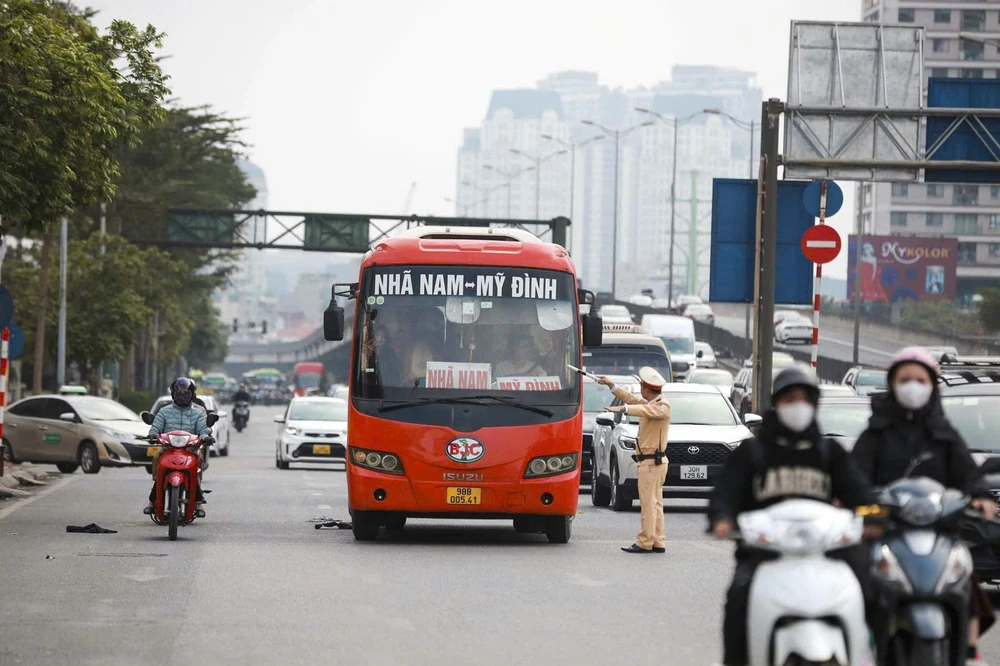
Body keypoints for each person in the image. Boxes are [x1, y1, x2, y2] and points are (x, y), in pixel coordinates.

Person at [708, 366, 875, 666]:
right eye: (790, 399)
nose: (798, 406)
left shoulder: (829, 452)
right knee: (739, 598)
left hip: (827, 551)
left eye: (804, 399)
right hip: (764, 553)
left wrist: (874, 517)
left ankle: (866, 654)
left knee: (870, 587)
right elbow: (726, 491)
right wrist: (722, 518)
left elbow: (859, 492)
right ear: (777, 404)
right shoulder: (753, 452)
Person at [851, 347, 998, 664]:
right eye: (905, 379)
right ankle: (862, 648)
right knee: (856, 582)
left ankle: (968, 648)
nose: (912, 386)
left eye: (920, 380)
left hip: (939, 532)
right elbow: (855, 478)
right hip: (886, 532)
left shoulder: (944, 434)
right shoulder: (876, 433)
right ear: (892, 384)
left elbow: (968, 474)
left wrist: (981, 496)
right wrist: (858, 504)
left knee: (965, 577)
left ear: (932, 385)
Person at [596, 367, 671, 554]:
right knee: (655, 503)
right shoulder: (652, 403)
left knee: (648, 503)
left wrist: (623, 409)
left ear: (646, 388)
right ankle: (657, 540)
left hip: (652, 462)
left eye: (642, 387)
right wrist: (611, 385)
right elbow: (632, 399)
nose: (640, 391)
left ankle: (645, 541)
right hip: (651, 462)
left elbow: (642, 409)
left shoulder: (662, 406)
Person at [144, 378, 212, 518]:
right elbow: (156, 427)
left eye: (186, 394)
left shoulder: (198, 413)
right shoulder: (164, 411)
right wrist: (153, 434)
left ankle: (197, 502)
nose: (182, 397)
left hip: (190, 450)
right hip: (168, 449)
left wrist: (205, 437)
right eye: (179, 394)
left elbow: (202, 429)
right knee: (158, 462)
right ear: (173, 394)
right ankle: (153, 501)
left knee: (196, 467)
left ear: (192, 395)